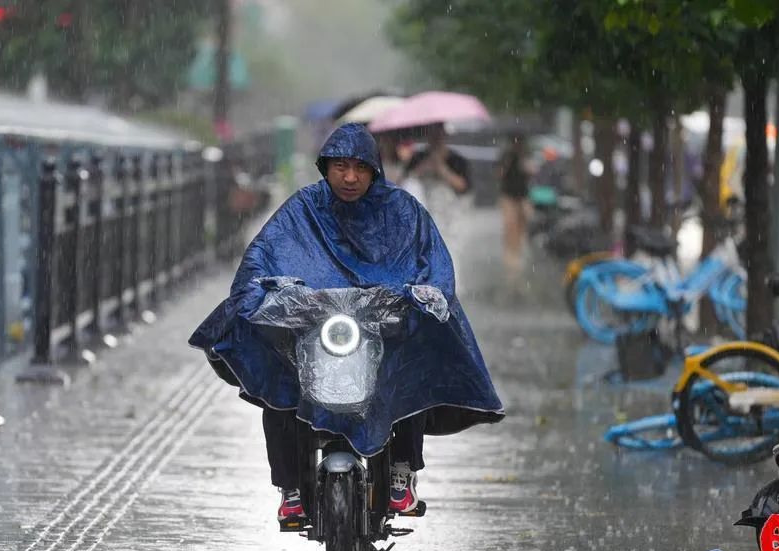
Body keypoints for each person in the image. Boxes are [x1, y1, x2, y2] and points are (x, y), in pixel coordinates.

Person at [189, 123, 504, 521]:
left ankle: (401, 472)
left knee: (410, 364)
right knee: (279, 382)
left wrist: (426, 296)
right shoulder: (303, 209)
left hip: (384, 328)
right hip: (313, 330)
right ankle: (290, 487)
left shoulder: (403, 212)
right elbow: (261, 260)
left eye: (359, 167)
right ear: (325, 167)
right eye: (340, 166)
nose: (350, 177)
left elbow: (434, 267)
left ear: (374, 169)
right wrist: (267, 295)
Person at [499, 135, 530, 270]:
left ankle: (518, 249)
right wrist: (508, 163)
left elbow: (531, 171)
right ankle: (510, 253)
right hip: (508, 196)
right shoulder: (506, 156)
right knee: (510, 224)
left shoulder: (525, 156)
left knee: (522, 223)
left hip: (522, 196)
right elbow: (499, 174)